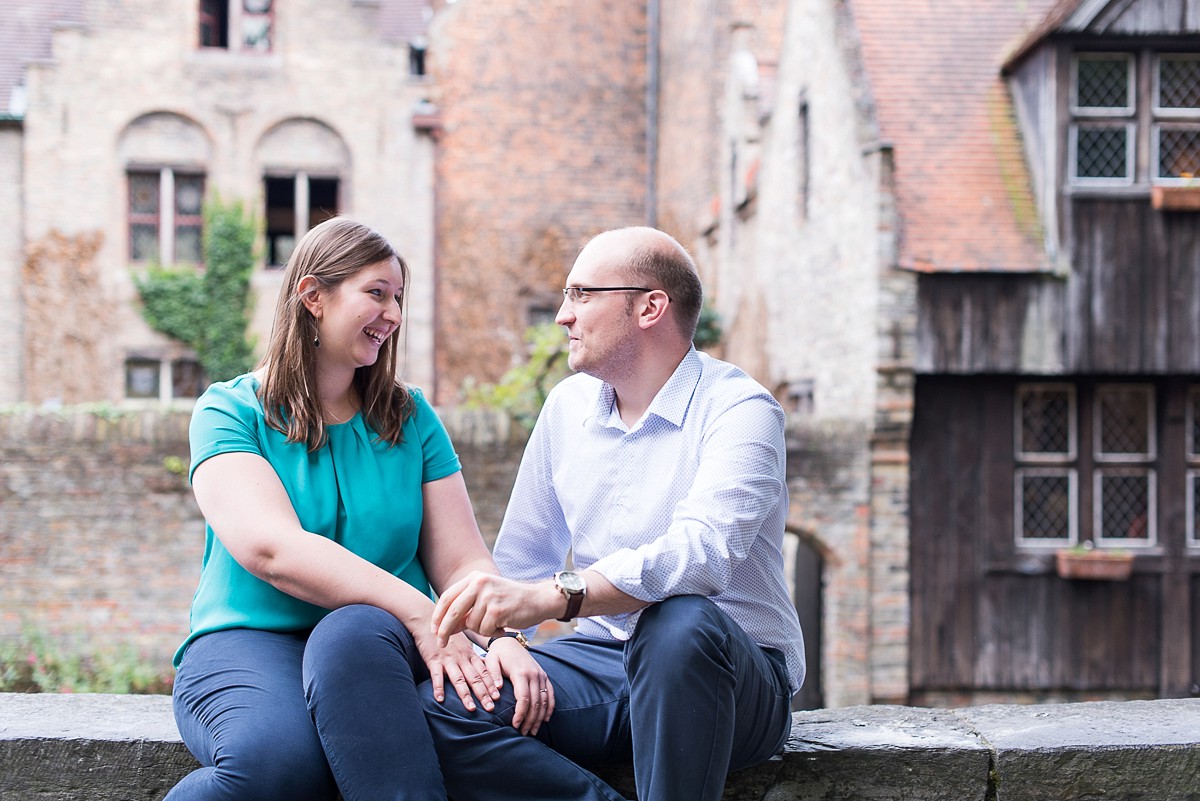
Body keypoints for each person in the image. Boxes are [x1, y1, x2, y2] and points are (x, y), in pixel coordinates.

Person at [165, 217, 551, 801]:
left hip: (383, 646)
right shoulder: (228, 411)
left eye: (398, 298)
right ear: (313, 296)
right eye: (376, 293)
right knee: (278, 764)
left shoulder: (411, 417)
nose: (393, 314)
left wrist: (504, 639)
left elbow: (462, 560)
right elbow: (271, 549)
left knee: (494, 724)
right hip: (252, 640)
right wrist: (424, 617)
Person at [426, 226, 805, 801]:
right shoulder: (566, 408)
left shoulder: (742, 411)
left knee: (678, 623)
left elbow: (701, 558)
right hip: (605, 661)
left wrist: (558, 596)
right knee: (441, 707)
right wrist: (502, 640)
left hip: (729, 674)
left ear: (650, 306)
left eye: (582, 294)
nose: (562, 316)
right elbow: (521, 562)